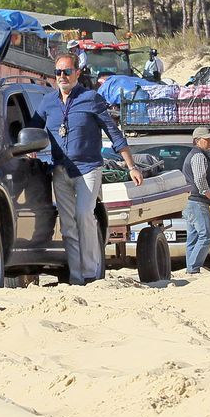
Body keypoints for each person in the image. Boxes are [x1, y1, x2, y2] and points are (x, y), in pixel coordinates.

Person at [35, 54, 143, 286]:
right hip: (60, 170)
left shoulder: (91, 98)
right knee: (67, 225)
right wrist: (27, 148)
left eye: (66, 71)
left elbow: (114, 133)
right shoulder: (47, 102)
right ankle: (77, 277)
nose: (62, 77)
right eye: (58, 72)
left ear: (77, 72)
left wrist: (131, 166)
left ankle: (92, 273)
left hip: (88, 169)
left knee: (84, 215)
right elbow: (31, 129)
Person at [181, 128, 210, 275]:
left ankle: (191, 268)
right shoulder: (198, 156)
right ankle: (193, 268)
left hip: (191, 202)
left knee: (193, 237)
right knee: (207, 235)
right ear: (197, 141)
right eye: (206, 139)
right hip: (198, 202)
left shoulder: (197, 155)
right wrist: (207, 193)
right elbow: (200, 178)